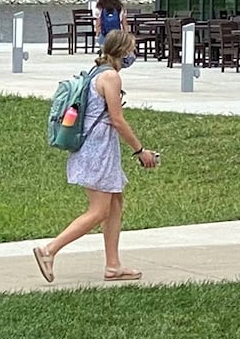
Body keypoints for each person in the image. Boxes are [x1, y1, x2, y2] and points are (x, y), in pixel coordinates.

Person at [32, 30, 159, 284]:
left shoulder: (97, 72)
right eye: (131, 50)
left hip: (98, 147)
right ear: (122, 51)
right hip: (97, 150)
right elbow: (117, 119)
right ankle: (49, 250)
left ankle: (113, 266)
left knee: (115, 203)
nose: (133, 55)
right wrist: (140, 150)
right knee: (100, 210)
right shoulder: (110, 77)